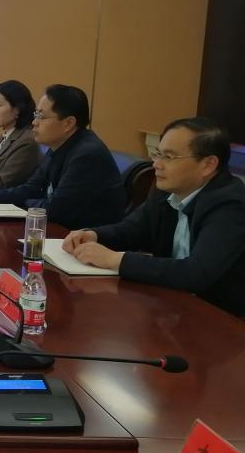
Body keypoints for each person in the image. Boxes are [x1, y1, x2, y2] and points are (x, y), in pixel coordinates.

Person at [63, 118, 245, 316]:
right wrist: (94, 235)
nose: (156, 164)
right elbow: (132, 230)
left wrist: (115, 260)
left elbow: (196, 272)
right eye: (158, 154)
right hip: (174, 307)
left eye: (168, 157)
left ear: (208, 165)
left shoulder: (231, 205)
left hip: (223, 318)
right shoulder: (168, 190)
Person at [0, 84, 124, 230]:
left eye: (41, 116)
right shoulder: (58, 146)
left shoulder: (87, 156)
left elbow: (55, 210)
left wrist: (25, 202)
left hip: (86, 242)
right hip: (60, 233)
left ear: (68, 123)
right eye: (35, 115)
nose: (34, 122)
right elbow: (30, 188)